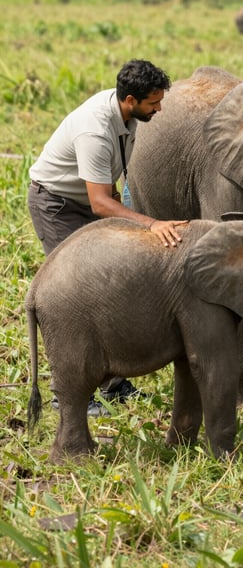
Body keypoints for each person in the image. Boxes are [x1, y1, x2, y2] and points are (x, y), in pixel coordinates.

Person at [28, 59, 189, 415]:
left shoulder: (129, 118)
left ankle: (114, 386)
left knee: (110, 285)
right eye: (153, 103)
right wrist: (150, 224)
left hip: (88, 199)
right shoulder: (95, 129)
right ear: (130, 99)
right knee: (76, 293)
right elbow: (100, 203)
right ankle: (68, 395)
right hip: (57, 204)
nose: (159, 109)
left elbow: (108, 189)